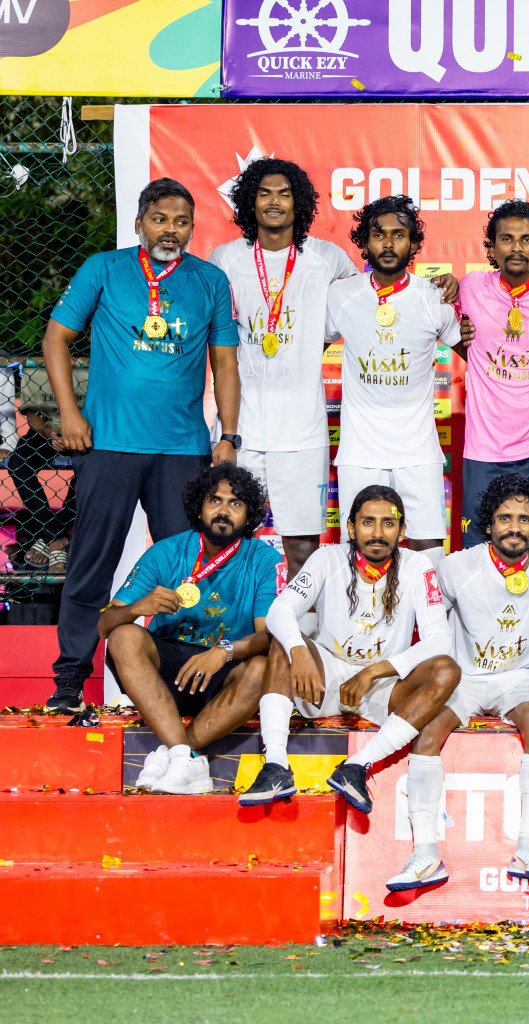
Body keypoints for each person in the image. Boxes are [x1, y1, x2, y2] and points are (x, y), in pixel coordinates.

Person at [43, 178, 242, 714]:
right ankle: (69, 680)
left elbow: (224, 362)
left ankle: (185, 677)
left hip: (182, 449)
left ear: (192, 228)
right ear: (139, 223)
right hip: (108, 445)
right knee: (91, 561)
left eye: (181, 221)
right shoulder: (103, 269)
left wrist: (228, 435)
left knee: (188, 568)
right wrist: (69, 413)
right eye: (159, 219)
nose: (170, 230)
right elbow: (55, 337)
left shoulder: (210, 281)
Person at [395, 473, 529, 891]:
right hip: (468, 677)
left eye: (524, 519)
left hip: (523, 678)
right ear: (487, 525)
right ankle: (424, 854)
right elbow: (427, 625)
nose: (515, 527)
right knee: (426, 735)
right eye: (505, 518)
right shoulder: (457, 567)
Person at [243, 486, 460, 823]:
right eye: (368, 522)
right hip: (323, 678)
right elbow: (279, 612)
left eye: (388, 524)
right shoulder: (327, 557)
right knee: (282, 640)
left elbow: (439, 640)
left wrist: (375, 671)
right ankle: (275, 765)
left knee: (446, 670)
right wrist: (299, 651)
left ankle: (358, 765)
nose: (377, 533)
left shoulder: (418, 565)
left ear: (402, 531)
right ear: (350, 527)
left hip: (383, 686)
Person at [211, 159, 358, 578]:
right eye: (264, 193)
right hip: (241, 428)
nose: (274, 202)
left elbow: (364, 302)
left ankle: (302, 635)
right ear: (248, 202)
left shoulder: (327, 258)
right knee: (231, 539)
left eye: (284, 194)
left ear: (300, 203)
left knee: (302, 546)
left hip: (302, 430)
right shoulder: (225, 259)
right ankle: (238, 633)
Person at [98, 464, 283, 794]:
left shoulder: (263, 559)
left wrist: (225, 652)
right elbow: (104, 625)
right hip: (166, 676)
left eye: (235, 503)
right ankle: (184, 755)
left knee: (262, 667)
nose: (223, 511)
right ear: (200, 506)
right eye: (215, 500)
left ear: (249, 514)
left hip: (223, 677)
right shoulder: (165, 551)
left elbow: (267, 635)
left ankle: (175, 753)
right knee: (124, 635)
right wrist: (136, 608)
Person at [327, 196, 461, 564]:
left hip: (418, 449)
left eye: (398, 235)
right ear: (364, 243)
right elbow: (308, 350)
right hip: (359, 449)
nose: (388, 244)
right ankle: (356, 622)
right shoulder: (341, 295)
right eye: (378, 235)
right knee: (357, 548)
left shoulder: (433, 297)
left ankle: (432, 622)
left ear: (414, 244)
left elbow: (478, 356)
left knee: (427, 547)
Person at [455, 201, 529, 549]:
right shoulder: (470, 287)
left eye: (527, 239)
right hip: (484, 449)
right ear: (491, 248)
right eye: (506, 239)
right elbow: (428, 312)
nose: (517, 247)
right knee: (476, 554)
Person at [4, 405, 74, 572]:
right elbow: (31, 414)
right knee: (18, 463)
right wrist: (50, 433)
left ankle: (49, 538)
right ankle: (56, 538)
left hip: (90, 430)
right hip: (45, 431)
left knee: (95, 468)